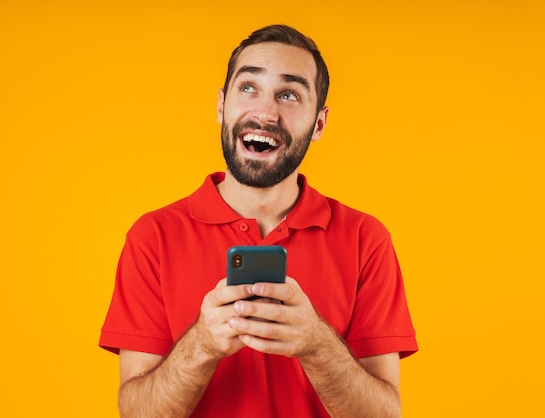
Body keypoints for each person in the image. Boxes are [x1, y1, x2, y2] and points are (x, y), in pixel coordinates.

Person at [99, 24, 417, 418]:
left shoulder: (365, 239)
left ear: (319, 123)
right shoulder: (154, 236)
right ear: (221, 105)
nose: (265, 111)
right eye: (248, 87)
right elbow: (137, 413)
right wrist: (202, 343)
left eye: (289, 94)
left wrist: (316, 343)